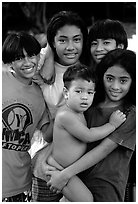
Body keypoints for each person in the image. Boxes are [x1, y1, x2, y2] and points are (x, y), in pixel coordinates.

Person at [45, 49, 136, 202]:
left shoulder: (129, 113)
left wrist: (64, 174)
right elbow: (57, 138)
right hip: (77, 179)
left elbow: (103, 150)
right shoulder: (88, 105)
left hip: (105, 184)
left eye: (123, 80)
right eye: (109, 78)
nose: (115, 86)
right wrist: (47, 163)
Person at [31, 10, 89, 202]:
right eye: (62, 40)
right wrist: (48, 55)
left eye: (77, 39)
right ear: (52, 42)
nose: (71, 47)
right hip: (48, 162)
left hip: (82, 163)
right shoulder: (38, 65)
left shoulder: (90, 71)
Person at [2, 32, 52, 201]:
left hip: (20, 184)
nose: (28, 62)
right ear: (9, 61)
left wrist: (65, 108)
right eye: (19, 58)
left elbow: (48, 134)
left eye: (31, 55)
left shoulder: (40, 93)